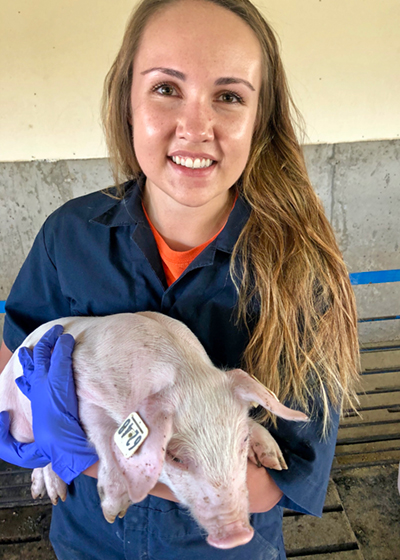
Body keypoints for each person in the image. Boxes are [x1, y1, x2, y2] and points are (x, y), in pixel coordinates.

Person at [0, 0, 360, 558]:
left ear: (259, 119)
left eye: (229, 96)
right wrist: (26, 413)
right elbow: (13, 347)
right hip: (88, 540)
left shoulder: (302, 272)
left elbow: (283, 478)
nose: (195, 128)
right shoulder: (69, 235)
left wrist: (84, 453)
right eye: (166, 88)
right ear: (127, 102)